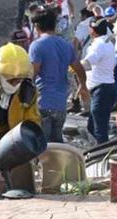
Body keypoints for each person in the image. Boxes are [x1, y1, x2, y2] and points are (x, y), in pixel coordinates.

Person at [29, 10, 87, 142]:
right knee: (57, 146)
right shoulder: (66, 46)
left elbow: (32, 73)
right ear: (54, 26)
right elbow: (79, 68)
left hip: (42, 103)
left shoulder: (37, 45)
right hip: (61, 104)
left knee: (42, 146)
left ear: (37, 27)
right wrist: (82, 86)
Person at [81, 18, 117, 143]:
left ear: (93, 30)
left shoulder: (98, 44)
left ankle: (102, 155)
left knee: (99, 129)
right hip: (104, 89)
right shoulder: (106, 42)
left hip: (101, 90)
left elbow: (87, 63)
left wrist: (72, 66)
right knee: (93, 127)